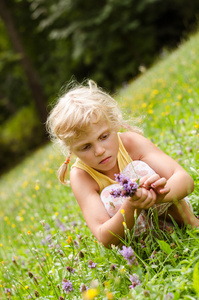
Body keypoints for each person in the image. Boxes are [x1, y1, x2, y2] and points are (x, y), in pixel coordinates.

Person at [46, 80, 199, 248]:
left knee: (138, 170)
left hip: (169, 213)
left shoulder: (131, 143)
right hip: (139, 241)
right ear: (71, 150)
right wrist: (132, 205)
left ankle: (193, 225)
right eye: (85, 147)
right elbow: (104, 236)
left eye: (104, 137)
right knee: (112, 193)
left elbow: (185, 180)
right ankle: (155, 249)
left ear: (115, 125)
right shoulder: (81, 176)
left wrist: (159, 195)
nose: (99, 151)